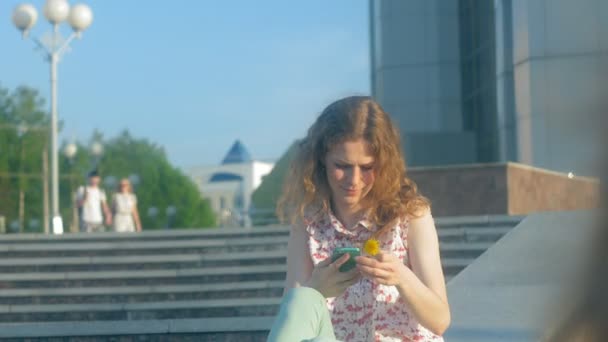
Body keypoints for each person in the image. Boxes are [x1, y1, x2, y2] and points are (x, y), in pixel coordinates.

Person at [276, 96, 450, 341]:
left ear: (384, 164)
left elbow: (440, 321)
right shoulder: (308, 221)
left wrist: (402, 276)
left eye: (367, 168)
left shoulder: (411, 215)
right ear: (321, 159)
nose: (353, 180)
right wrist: (315, 290)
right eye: (342, 165)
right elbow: (289, 328)